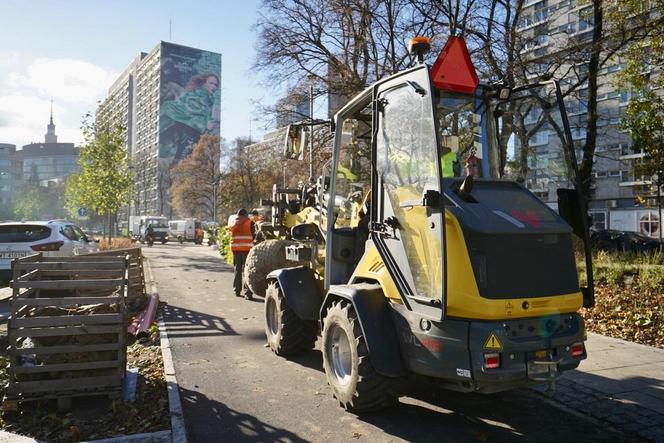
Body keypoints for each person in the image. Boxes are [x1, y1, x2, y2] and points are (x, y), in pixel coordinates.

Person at [229, 208, 256, 300]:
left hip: (236, 250)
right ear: (245, 215)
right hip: (247, 250)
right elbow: (254, 235)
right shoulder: (250, 223)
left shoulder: (233, 223)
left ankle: (237, 290)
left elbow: (230, 234)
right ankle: (247, 293)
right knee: (246, 271)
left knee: (237, 270)